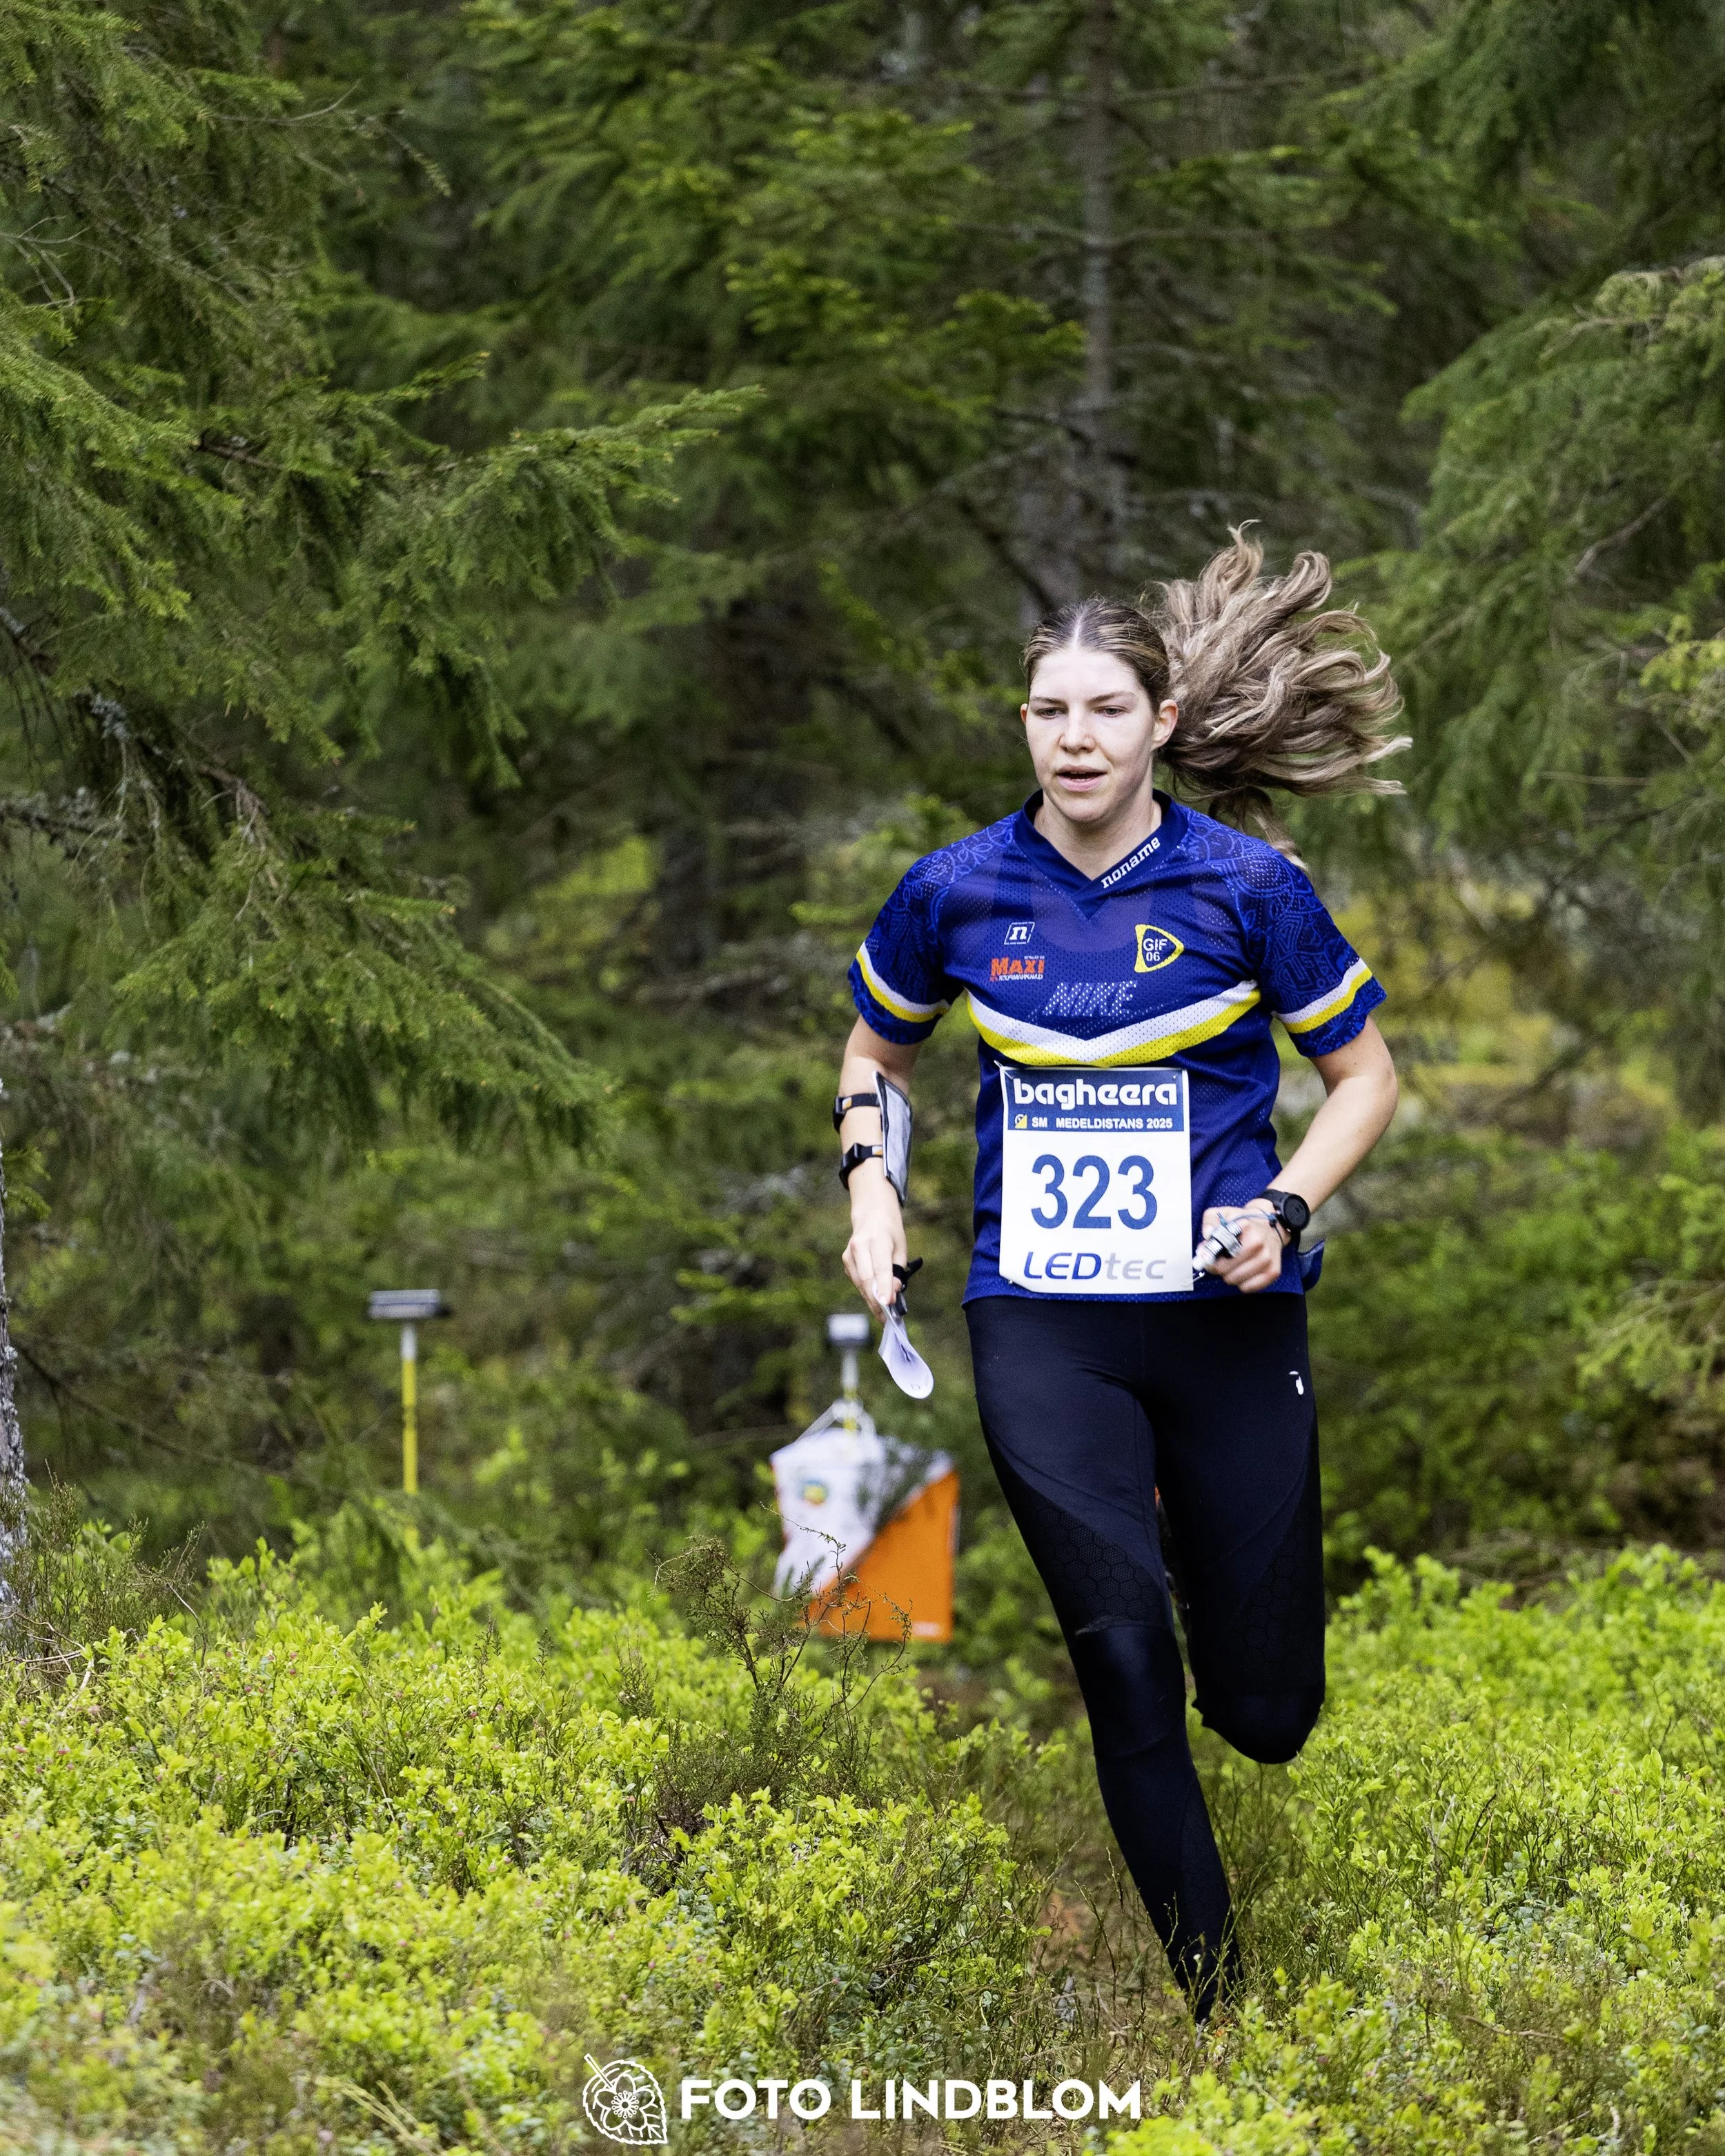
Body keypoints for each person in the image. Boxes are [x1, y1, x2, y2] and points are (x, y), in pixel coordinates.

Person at [834, 533, 1403, 2019]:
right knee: (1119, 1658)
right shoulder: (952, 890)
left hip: (1224, 1310)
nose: (1071, 738)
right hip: (1041, 1317)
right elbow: (873, 1053)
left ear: (1158, 723)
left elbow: (1362, 1078)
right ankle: (1223, 2016)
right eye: (1046, 711)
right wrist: (867, 1187)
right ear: (1019, 723)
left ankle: (1205, 1546)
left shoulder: (1245, 885)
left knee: (1266, 1713)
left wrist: (1283, 1200)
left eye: (1101, 710)